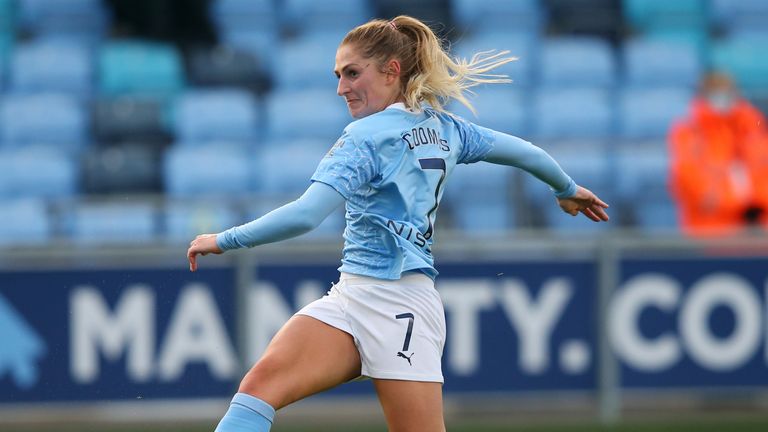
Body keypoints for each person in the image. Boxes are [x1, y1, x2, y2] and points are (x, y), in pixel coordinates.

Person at [187, 15, 609, 432]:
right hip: (351, 297)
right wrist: (565, 188)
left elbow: (306, 214)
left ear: (391, 70)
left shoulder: (365, 137)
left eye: (352, 73)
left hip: (400, 306)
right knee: (256, 391)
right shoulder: (447, 128)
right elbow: (524, 151)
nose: (341, 88)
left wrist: (225, 239)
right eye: (338, 75)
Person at [669, 71, 768, 236]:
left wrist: (757, 201)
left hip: (759, 235)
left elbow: (763, 172)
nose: (722, 97)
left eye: (727, 90)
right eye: (715, 91)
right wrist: (740, 203)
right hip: (711, 235)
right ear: (703, 94)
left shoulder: (754, 129)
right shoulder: (689, 132)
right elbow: (692, 184)